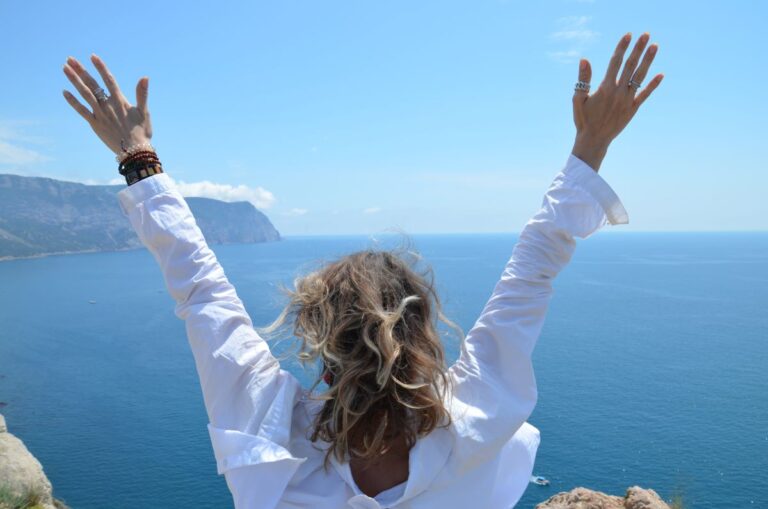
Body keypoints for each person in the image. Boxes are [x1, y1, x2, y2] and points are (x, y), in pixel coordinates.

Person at [62, 32, 663, 509]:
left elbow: (200, 289)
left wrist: (138, 155)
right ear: (423, 337)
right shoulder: (475, 420)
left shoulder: (271, 437)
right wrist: (590, 147)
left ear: (322, 347)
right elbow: (533, 269)